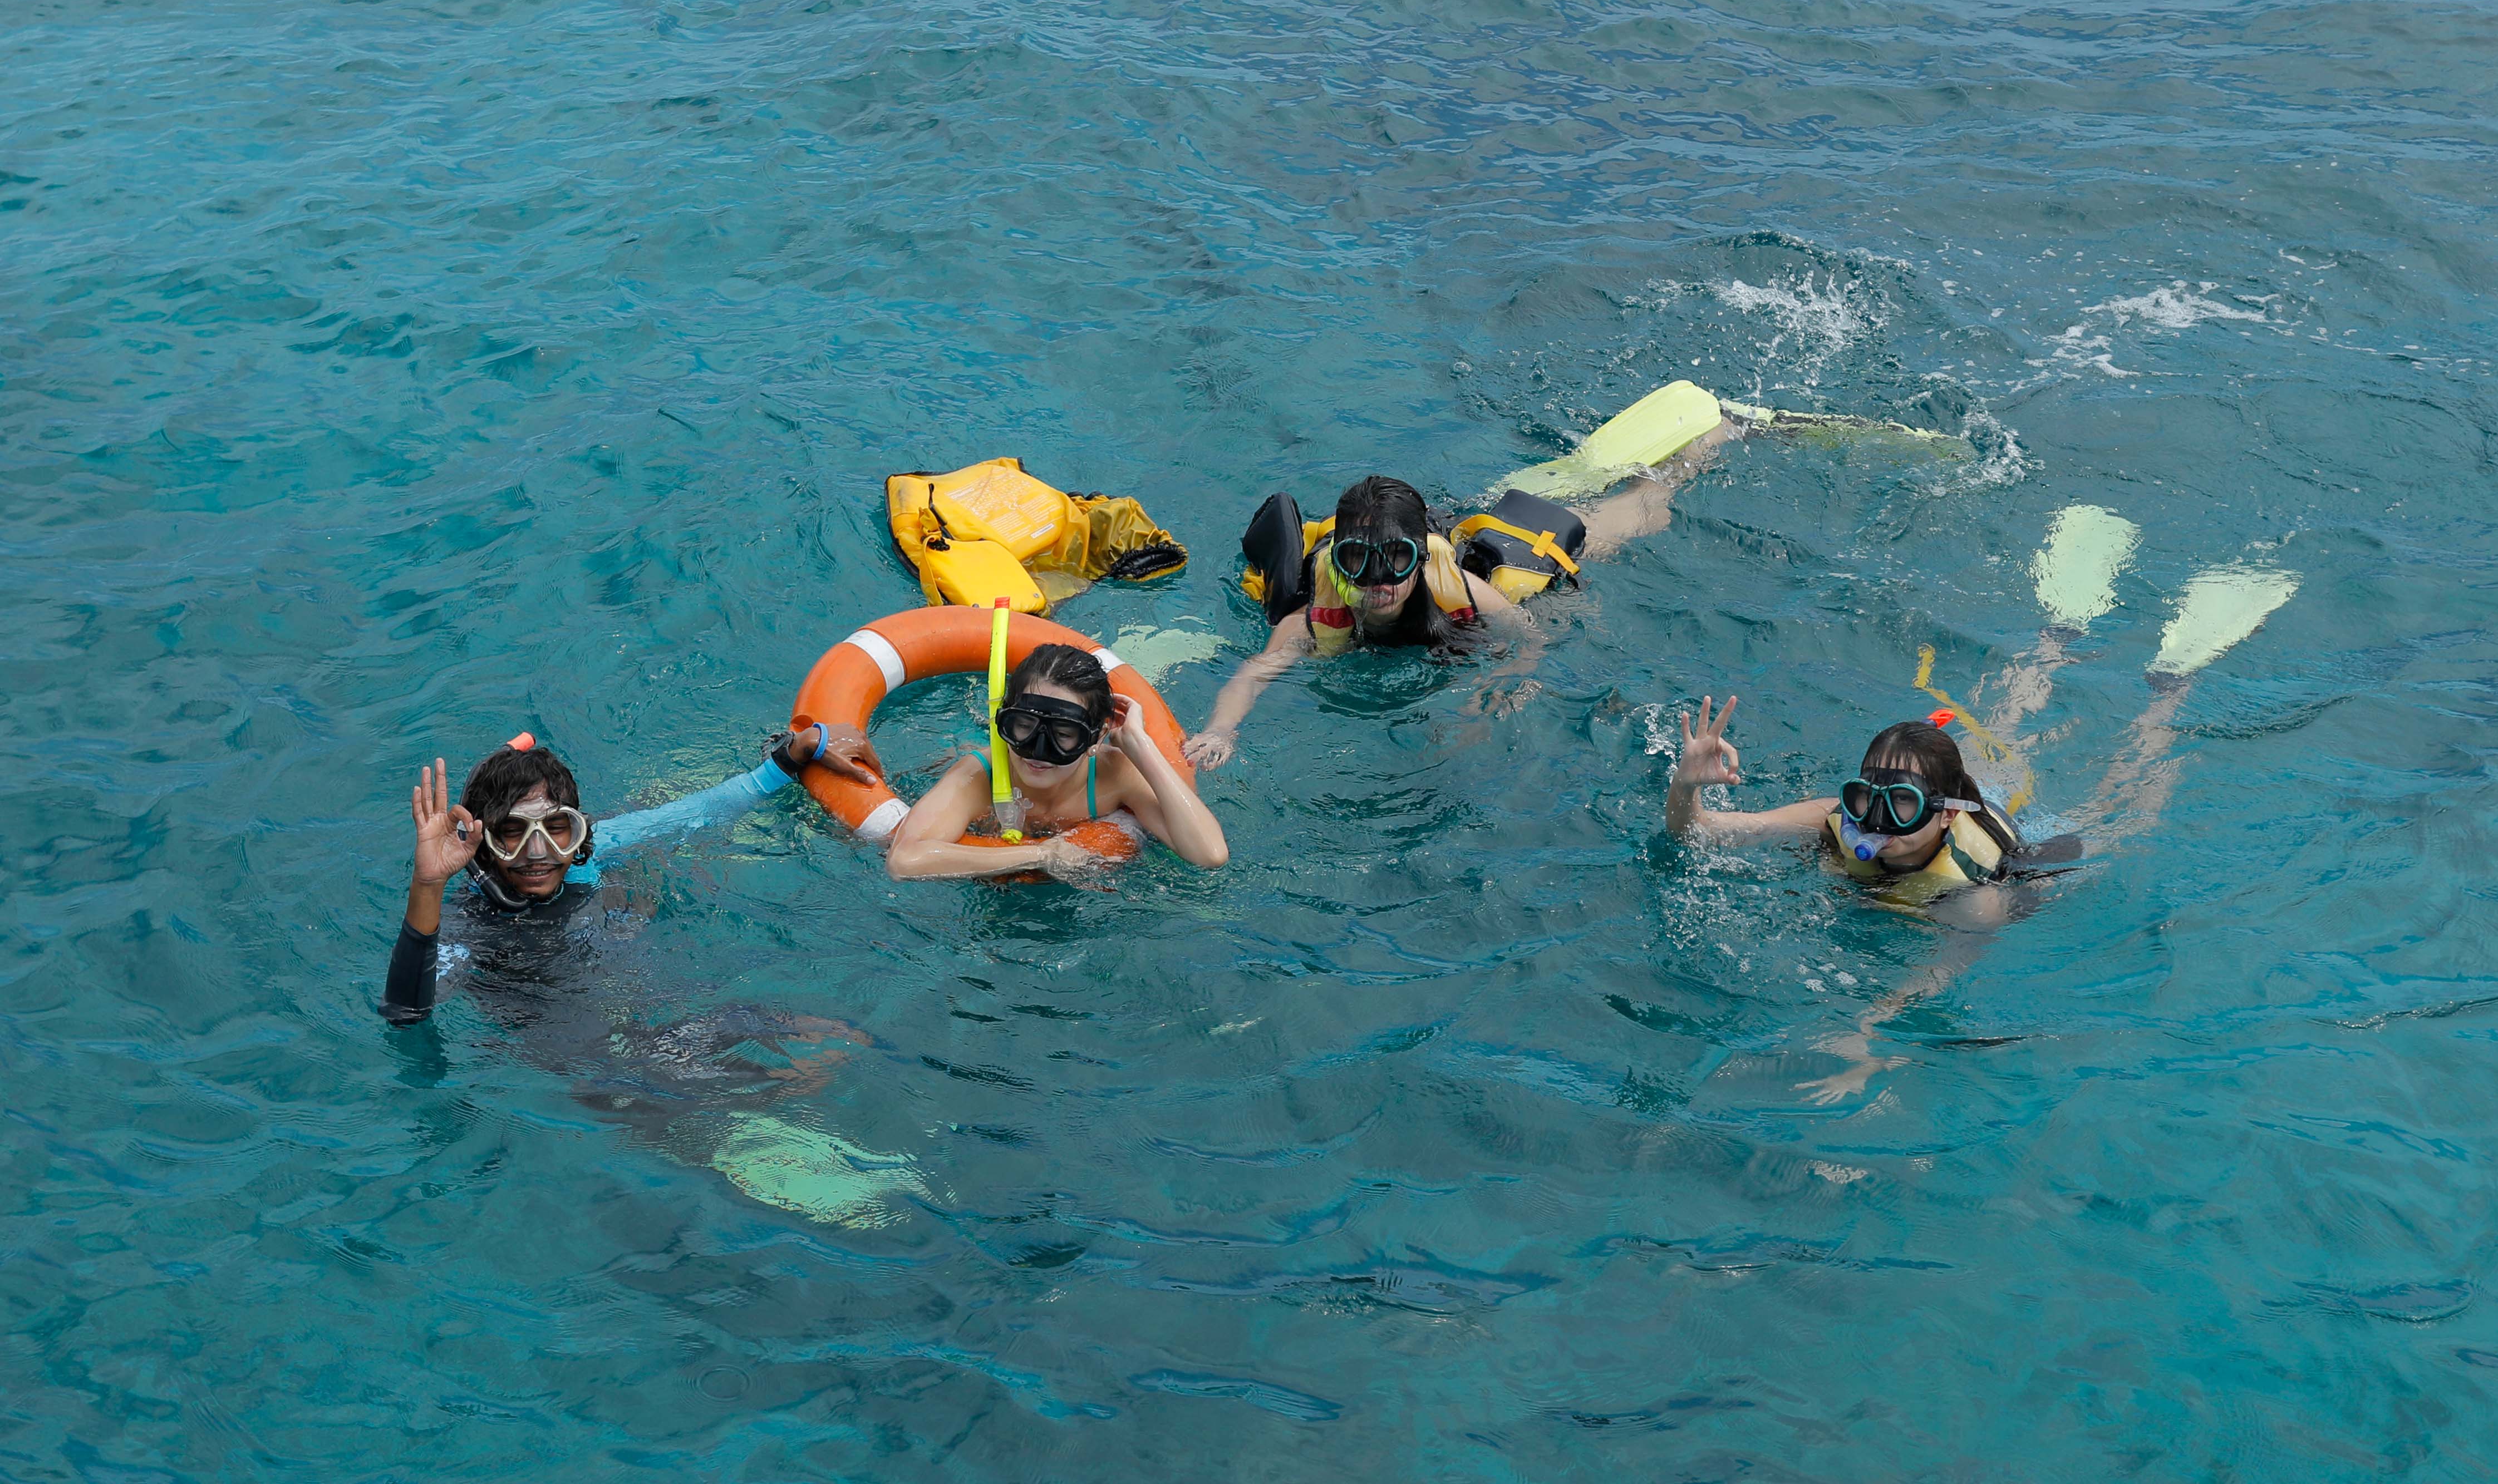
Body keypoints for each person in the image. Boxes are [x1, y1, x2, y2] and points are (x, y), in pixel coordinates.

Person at [1663, 511, 2300, 1100]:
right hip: (1964, 793)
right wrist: (1687, 787)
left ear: (1943, 812)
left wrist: (1867, 1036)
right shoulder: (1838, 820)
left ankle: (2167, 688)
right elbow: (1700, 835)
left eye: (1901, 806)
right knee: (1997, 729)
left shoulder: (1975, 896)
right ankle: (2055, 638)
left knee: (2122, 803)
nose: (1876, 823)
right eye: (1866, 801)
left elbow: (1936, 975)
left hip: (2028, 848)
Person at [1184, 443, 1728, 767]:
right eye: (1359, 563)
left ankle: (1698, 455)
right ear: (1340, 564)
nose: (1378, 582)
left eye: (1394, 561)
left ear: (1419, 559)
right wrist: (1221, 730)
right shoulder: (1315, 621)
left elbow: (1529, 635)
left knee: (1628, 520)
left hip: (1465, 550)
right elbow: (1252, 676)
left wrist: (1504, 688)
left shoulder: (1457, 584)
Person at [382, 721, 879, 1026]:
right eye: (512, 832)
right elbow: (408, 1013)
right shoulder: (472, 927)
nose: (539, 852)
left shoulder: (593, 850)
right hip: (565, 1042)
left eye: (558, 828)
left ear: (579, 829)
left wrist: (790, 755)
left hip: (644, 992)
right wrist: (428, 883)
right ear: (484, 846)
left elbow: (697, 812)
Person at [883, 641, 1230, 878]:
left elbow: (1210, 855)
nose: (1039, 751)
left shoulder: (1114, 772)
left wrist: (1140, 747)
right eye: (1024, 727)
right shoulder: (979, 776)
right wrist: (1043, 855)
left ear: (1094, 738)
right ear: (1003, 722)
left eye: (1064, 735)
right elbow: (904, 860)